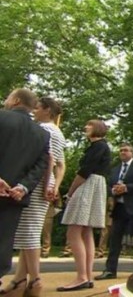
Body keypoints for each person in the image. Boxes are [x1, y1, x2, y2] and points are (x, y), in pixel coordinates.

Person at [7, 97, 66, 296]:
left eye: (38, 108)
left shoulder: (46, 130)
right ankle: (19, 280)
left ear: (47, 110)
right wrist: (54, 186)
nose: (34, 111)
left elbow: (48, 160)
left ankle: (36, 281)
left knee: (30, 233)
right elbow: (61, 164)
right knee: (28, 233)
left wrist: (44, 186)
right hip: (46, 183)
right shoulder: (58, 132)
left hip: (37, 184)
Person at [0, 89, 50, 292]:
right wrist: (23, 187)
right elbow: (41, 165)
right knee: (3, 241)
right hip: (14, 196)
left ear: (15, 100)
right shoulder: (41, 133)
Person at [56, 119, 110, 292]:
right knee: (86, 231)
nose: (85, 127)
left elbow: (84, 171)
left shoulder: (98, 146)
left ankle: (81, 277)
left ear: (98, 129)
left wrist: (70, 191)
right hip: (97, 185)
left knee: (74, 230)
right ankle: (86, 275)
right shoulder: (102, 147)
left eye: (89, 125)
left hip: (88, 185)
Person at [95, 143, 133, 281]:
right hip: (119, 208)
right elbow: (107, 185)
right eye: (120, 151)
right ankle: (110, 270)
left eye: (125, 150)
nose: (122, 153)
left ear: (132, 153)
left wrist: (127, 188)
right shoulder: (115, 169)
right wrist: (113, 191)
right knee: (115, 239)